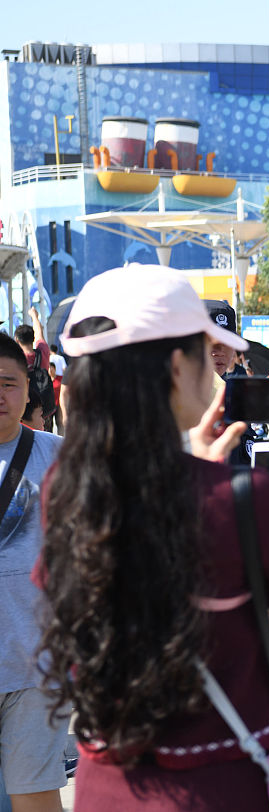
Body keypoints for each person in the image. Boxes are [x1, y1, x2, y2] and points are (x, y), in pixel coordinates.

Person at [38, 265, 269, 811]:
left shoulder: (64, 487)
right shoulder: (234, 496)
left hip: (105, 785)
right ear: (176, 364)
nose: (214, 365)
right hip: (217, 787)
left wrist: (199, 468)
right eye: (203, 347)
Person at [0, 331, 67, 812]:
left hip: (36, 668)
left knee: (34, 800)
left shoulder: (60, 458)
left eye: (8, 382)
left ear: (28, 390)